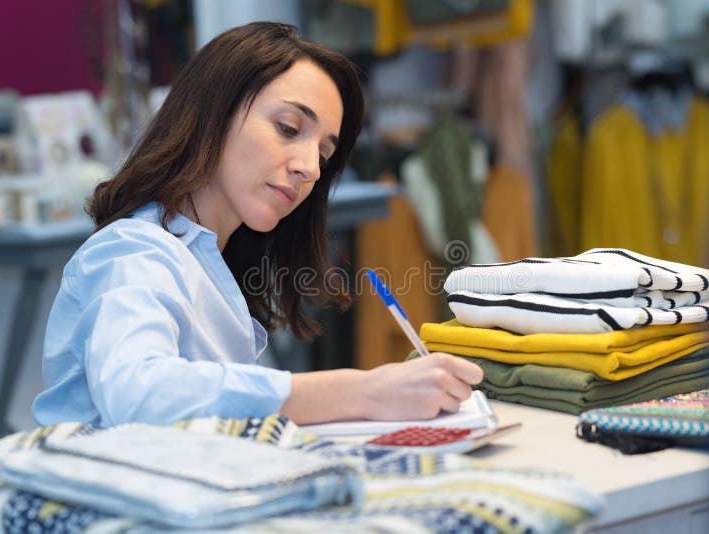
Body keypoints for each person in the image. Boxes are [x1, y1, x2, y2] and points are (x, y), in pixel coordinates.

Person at [32, 22, 482, 428]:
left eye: (324, 155)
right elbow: (138, 393)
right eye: (288, 128)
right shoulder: (134, 251)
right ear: (215, 111)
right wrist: (360, 391)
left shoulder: (214, 267)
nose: (310, 167)